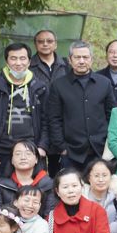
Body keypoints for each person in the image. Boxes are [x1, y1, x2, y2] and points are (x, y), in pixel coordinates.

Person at [0, 43, 50, 178]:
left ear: (29, 61)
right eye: (13, 58)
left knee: (32, 188)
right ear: (6, 61)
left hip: (32, 150)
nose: (18, 63)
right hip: (1, 151)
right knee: (2, 187)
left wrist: (42, 146)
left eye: (22, 58)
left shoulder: (40, 87)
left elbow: (47, 120)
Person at [47, 40, 116, 172]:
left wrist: (108, 143)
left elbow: (112, 115)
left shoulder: (104, 83)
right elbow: (54, 118)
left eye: (85, 57)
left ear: (91, 59)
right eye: (77, 57)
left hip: (99, 149)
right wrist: (61, 147)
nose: (82, 61)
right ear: (70, 60)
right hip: (71, 151)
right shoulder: (59, 85)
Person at [31, 30, 68, 176]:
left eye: (49, 41)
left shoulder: (66, 66)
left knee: (58, 173)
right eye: (41, 41)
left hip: (60, 124)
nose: (45, 44)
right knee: (35, 172)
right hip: (36, 122)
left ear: (56, 44)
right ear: (35, 44)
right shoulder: (28, 65)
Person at [0, 140, 56, 218]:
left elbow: (50, 216)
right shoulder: (1, 185)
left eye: (28, 154)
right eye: (18, 154)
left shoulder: (48, 185)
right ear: (12, 160)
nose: (23, 157)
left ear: (36, 159)